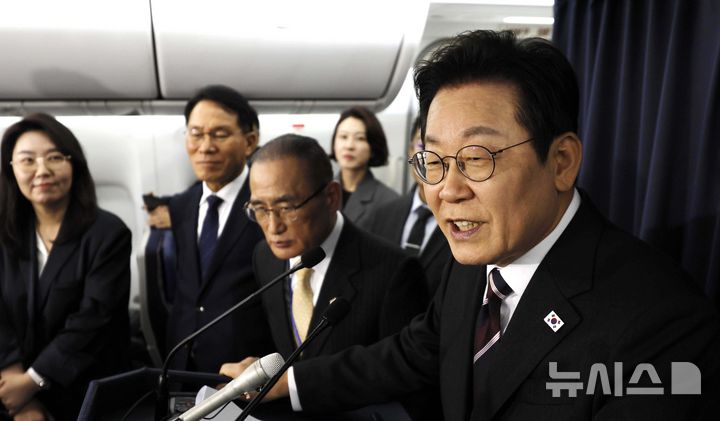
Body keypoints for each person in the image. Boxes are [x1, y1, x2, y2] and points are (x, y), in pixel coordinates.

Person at [237, 30, 720, 421]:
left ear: (561, 161)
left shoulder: (663, 325)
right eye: (433, 161)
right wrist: (289, 380)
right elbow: (416, 350)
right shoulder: (473, 262)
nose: (447, 191)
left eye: (476, 157)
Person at [219, 134, 432, 417]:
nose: (273, 226)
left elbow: (402, 377)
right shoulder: (265, 257)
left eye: (287, 208)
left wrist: (295, 383)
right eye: (260, 209)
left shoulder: (394, 270)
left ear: (331, 197)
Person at [0, 113, 131, 420]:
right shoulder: (5, 232)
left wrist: (32, 382)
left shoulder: (108, 233)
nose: (42, 170)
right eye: (27, 160)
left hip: (84, 389)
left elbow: (93, 320)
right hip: (13, 387)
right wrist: (15, 384)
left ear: (74, 164)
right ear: (11, 169)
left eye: (54, 157)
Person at [164, 85, 274, 373]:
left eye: (219, 134)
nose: (205, 147)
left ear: (250, 142)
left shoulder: (269, 204)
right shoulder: (182, 205)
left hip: (244, 366)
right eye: (196, 133)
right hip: (182, 362)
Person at [363, 116, 452, 295]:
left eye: (436, 150)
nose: (428, 158)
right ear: (410, 151)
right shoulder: (382, 215)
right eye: (422, 146)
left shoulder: (462, 220)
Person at [330, 106, 398, 227]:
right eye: (343, 137)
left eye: (360, 138)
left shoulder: (389, 201)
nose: (349, 146)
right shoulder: (319, 193)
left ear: (373, 147)